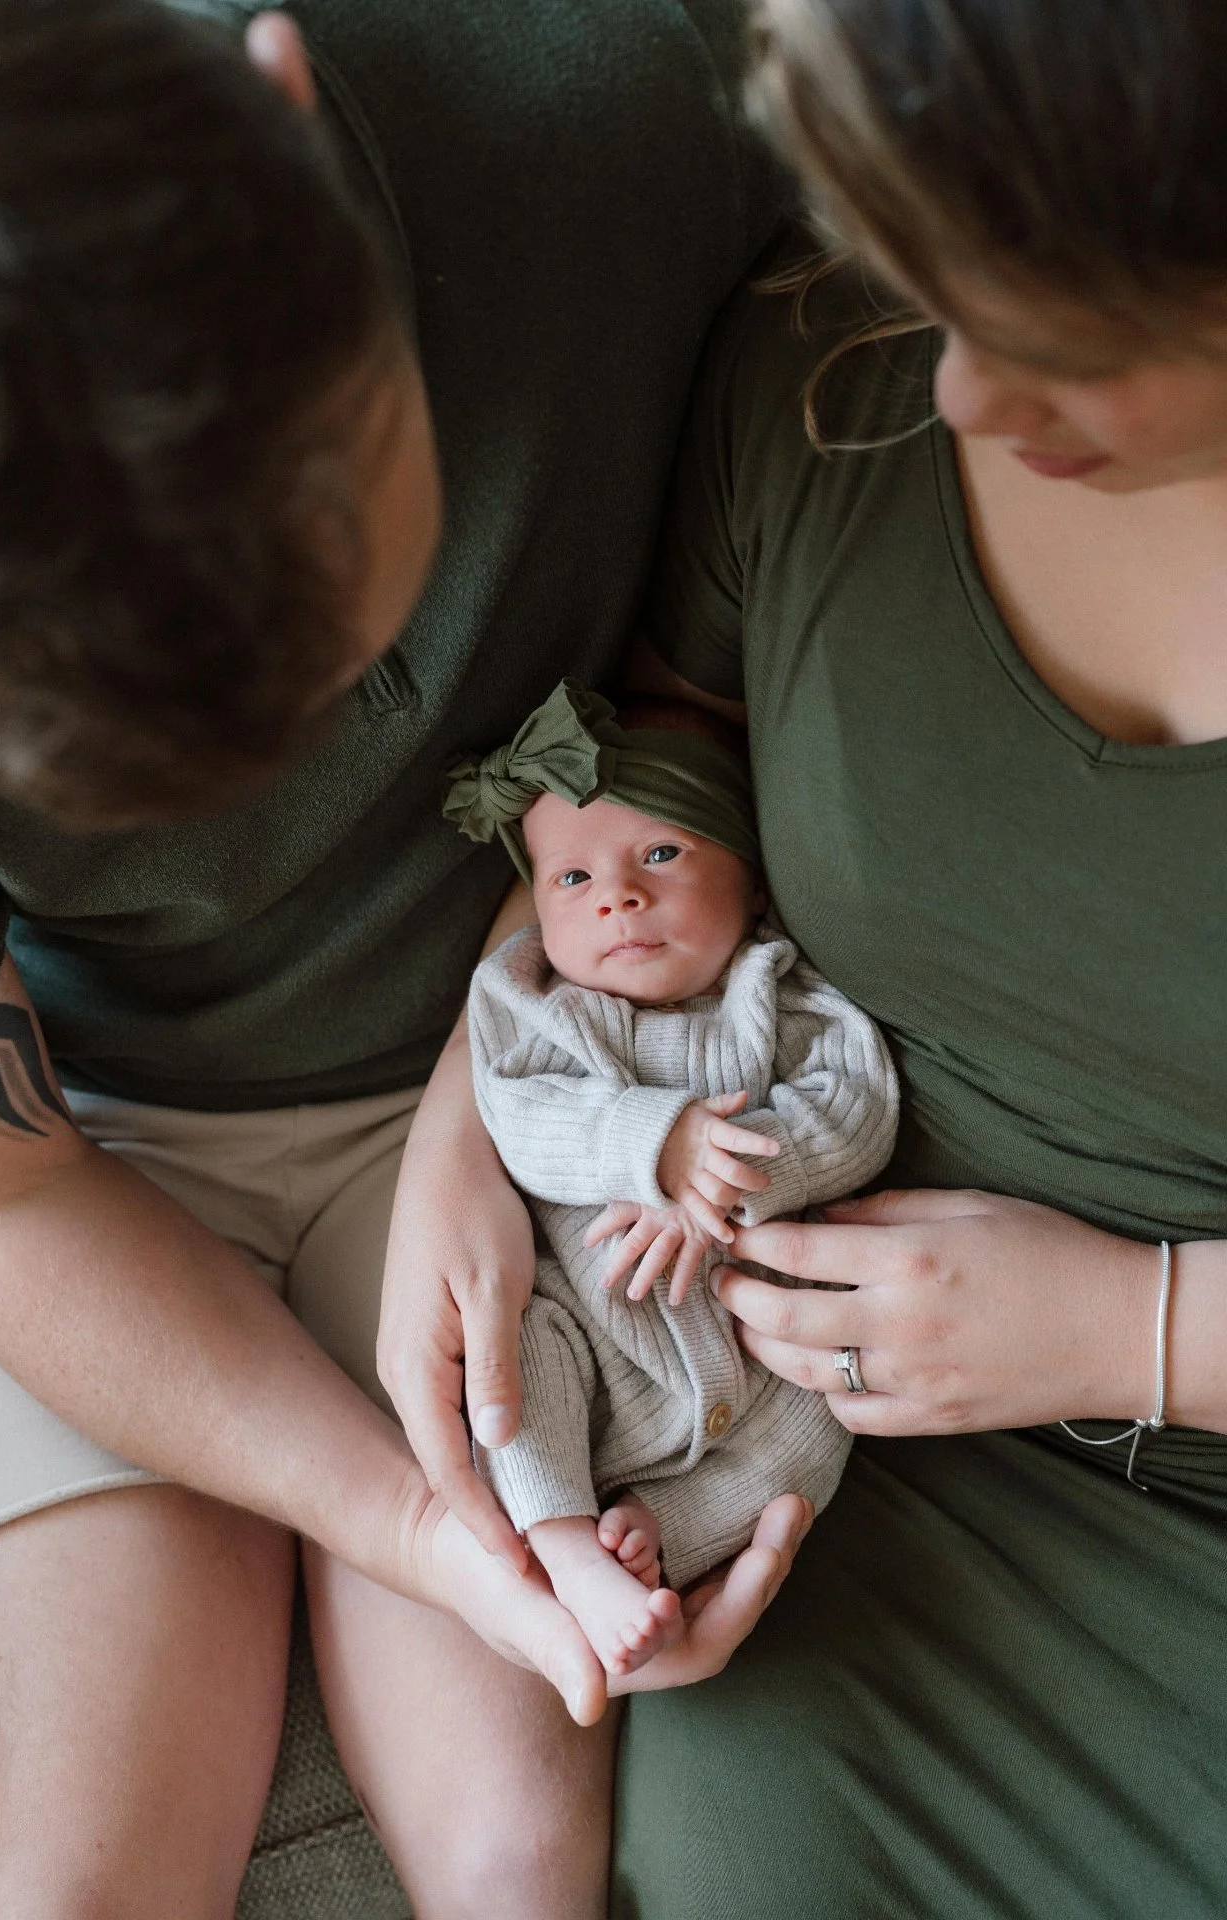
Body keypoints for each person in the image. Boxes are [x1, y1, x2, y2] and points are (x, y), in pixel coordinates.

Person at [0, 3, 805, 1915]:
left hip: (532, 1044)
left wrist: (482, 1103)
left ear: (274, 106)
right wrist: (421, 1529)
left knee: (517, 1862)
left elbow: (751, 631)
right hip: (80, 1152)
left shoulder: (641, 95)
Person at [380, 1, 1227, 1913]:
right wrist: (476, 1117)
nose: (964, 401)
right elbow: (669, 759)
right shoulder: (834, 354)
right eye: (928, 268)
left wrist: (1145, 1327)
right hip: (853, 1478)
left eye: (1071, 325)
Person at [442, 680, 896, 1672]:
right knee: (510, 1361)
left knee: (826, 1415)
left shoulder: (780, 992)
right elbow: (519, 1119)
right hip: (590, 1319)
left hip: (762, 1334)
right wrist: (659, 1147)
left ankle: (668, 1530)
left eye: (660, 854)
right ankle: (566, 1546)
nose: (616, 896)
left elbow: (854, 1112)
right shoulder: (534, 1003)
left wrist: (728, 1181)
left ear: (748, 871)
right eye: (570, 880)